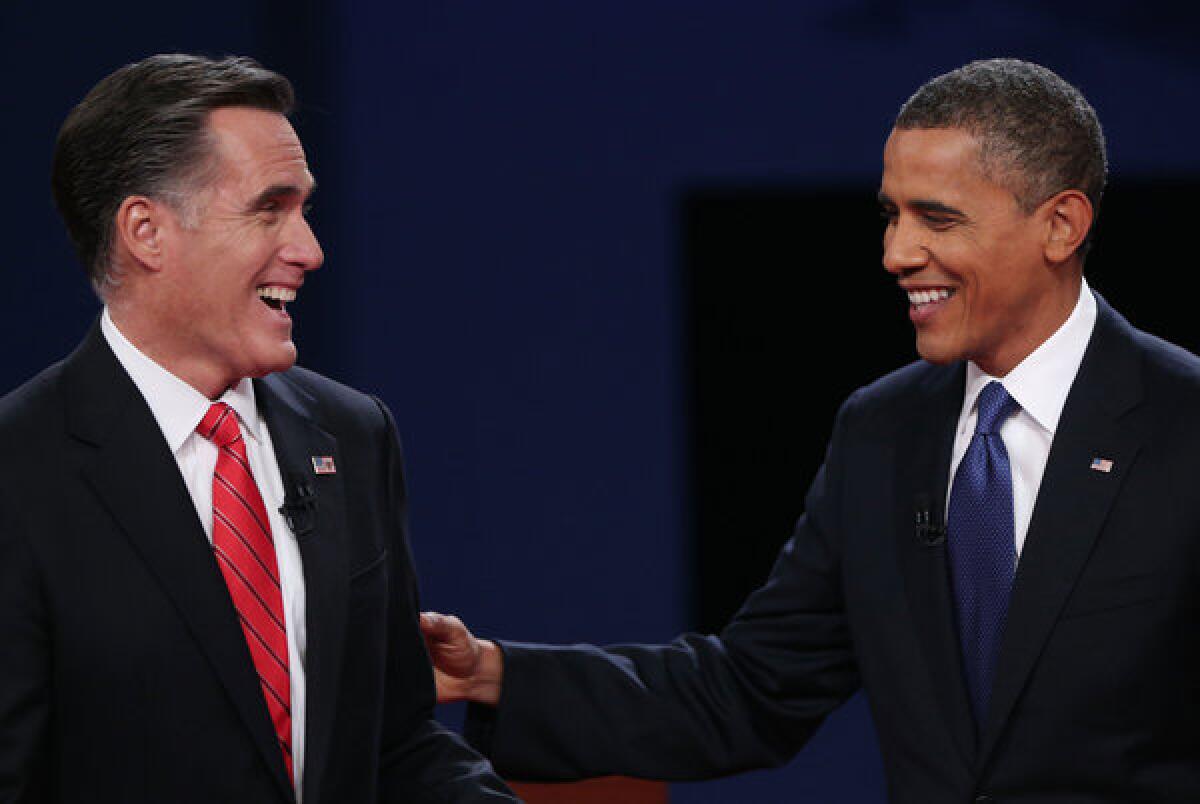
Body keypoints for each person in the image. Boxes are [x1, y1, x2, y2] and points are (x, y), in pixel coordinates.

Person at [422, 59, 1200, 802]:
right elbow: (748, 691)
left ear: (1060, 225)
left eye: (938, 218)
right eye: (891, 215)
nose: (896, 253)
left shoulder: (1182, 423)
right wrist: (491, 673)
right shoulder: (884, 433)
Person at [0, 54, 516, 803]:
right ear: (147, 231)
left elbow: (396, 744)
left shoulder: (352, 433)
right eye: (269, 209)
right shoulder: (20, 472)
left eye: (304, 209)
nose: (309, 249)